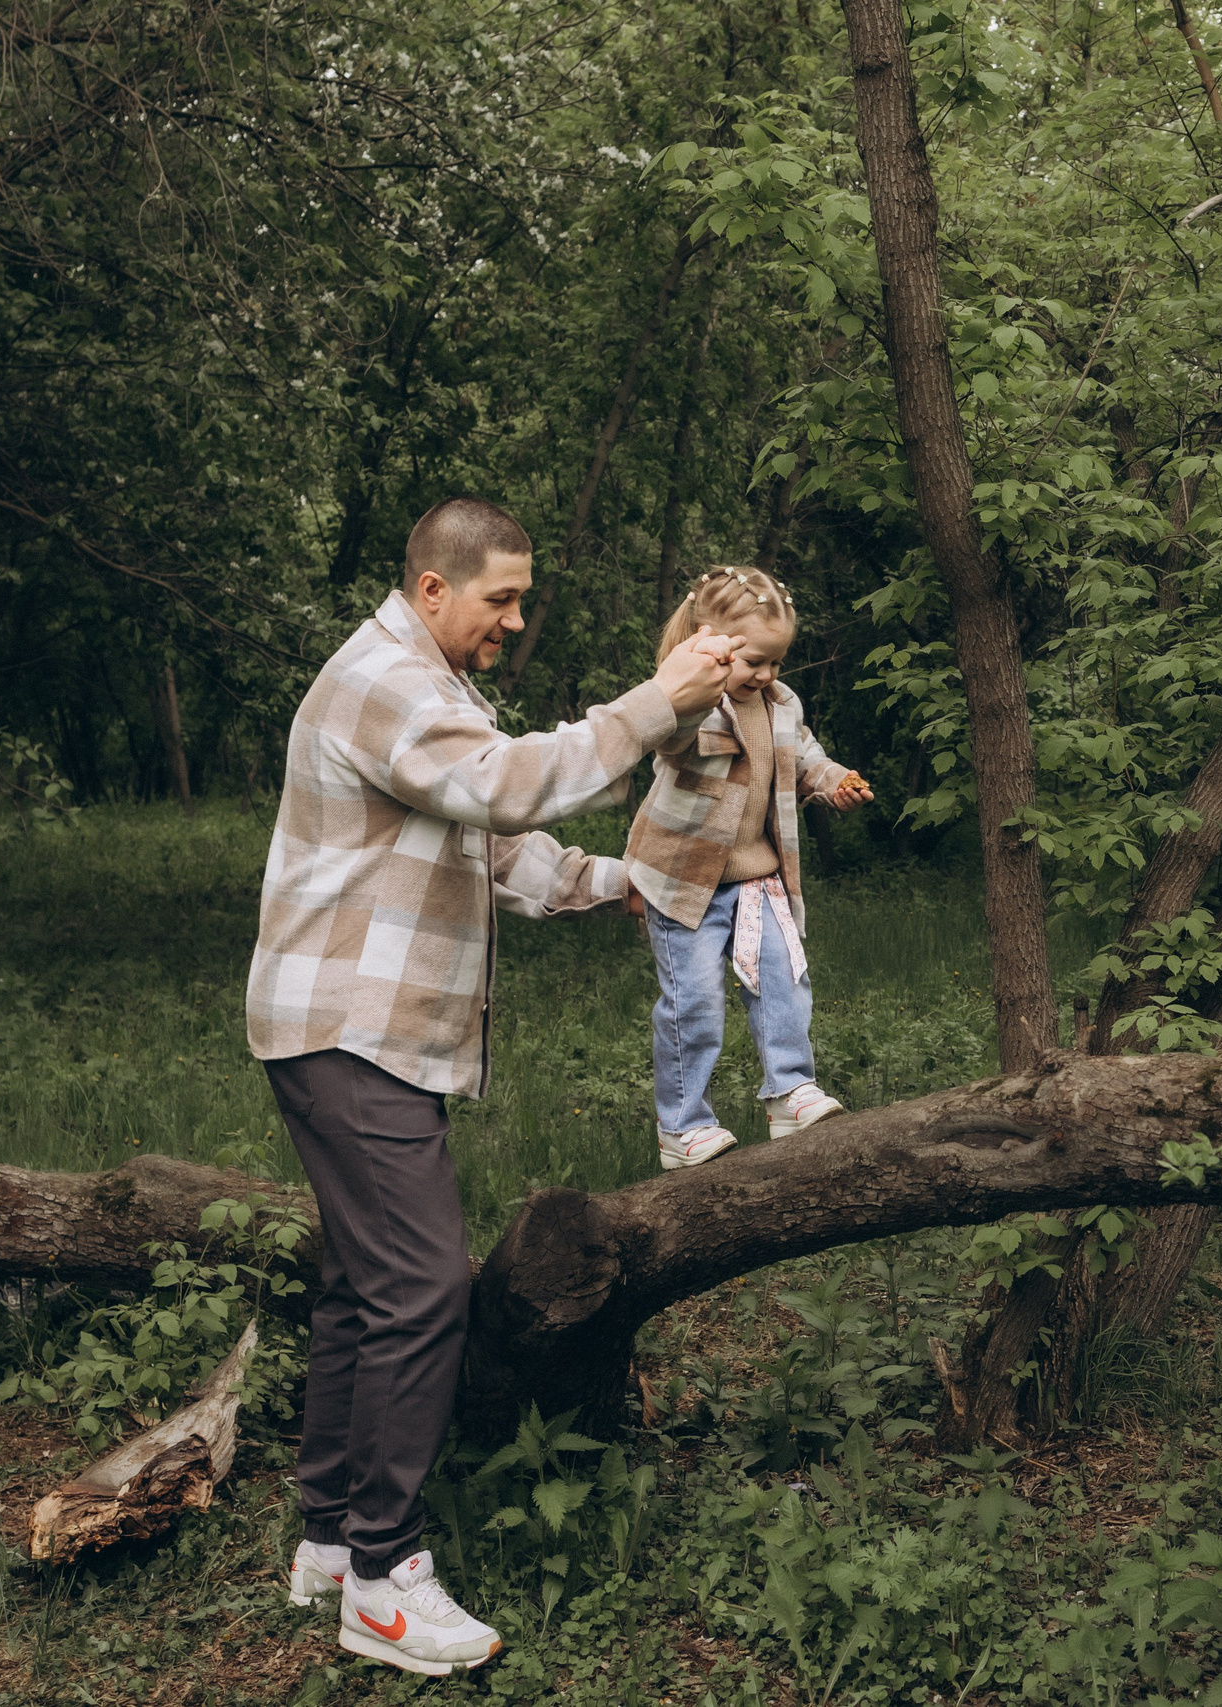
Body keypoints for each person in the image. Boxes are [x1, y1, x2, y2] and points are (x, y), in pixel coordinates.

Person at [247, 498, 738, 1676]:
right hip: (346, 1030)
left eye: (521, 599)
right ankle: (385, 1577)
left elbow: (493, 835)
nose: (514, 621)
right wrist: (653, 702)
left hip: (358, 1033)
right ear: (432, 588)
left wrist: (612, 880)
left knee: (367, 1290)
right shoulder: (383, 680)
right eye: (500, 598)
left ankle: (327, 1539)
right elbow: (509, 788)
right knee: (422, 1289)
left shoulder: (434, 694)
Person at [625, 564, 873, 1170]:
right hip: (682, 883)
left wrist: (833, 780)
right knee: (694, 1003)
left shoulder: (780, 704)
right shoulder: (689, 709)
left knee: (783, 980)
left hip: (759, 876)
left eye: (775, 663)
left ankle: (790, 1091)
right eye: (752, 661)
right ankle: (683, 1128)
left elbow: (805, 755)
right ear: (710, 645)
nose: (765, 675)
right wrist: (688, 681)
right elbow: (668, 735)